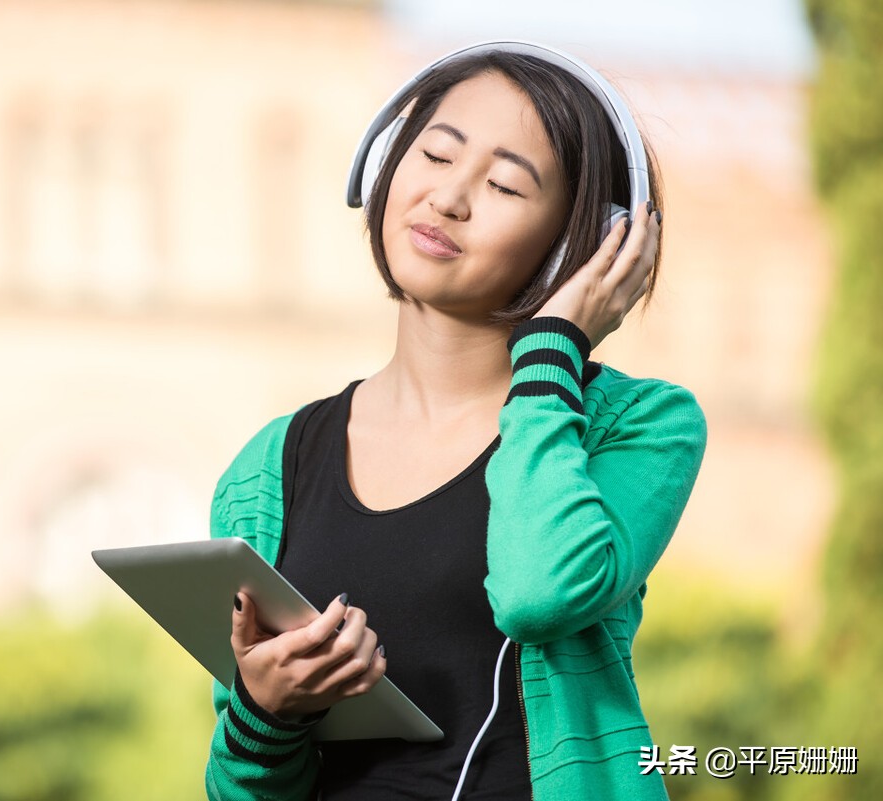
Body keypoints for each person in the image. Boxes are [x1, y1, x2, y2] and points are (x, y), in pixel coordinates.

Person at [204, 41, 706, 801]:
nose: (448, 198)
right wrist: (263, 715)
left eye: (505, 184)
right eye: (436, 155)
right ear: (383, 167)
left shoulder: (639, 425)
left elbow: (541, 593)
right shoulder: (266, 470)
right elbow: (237, 788)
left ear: (589, 243)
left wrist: (554, 351)